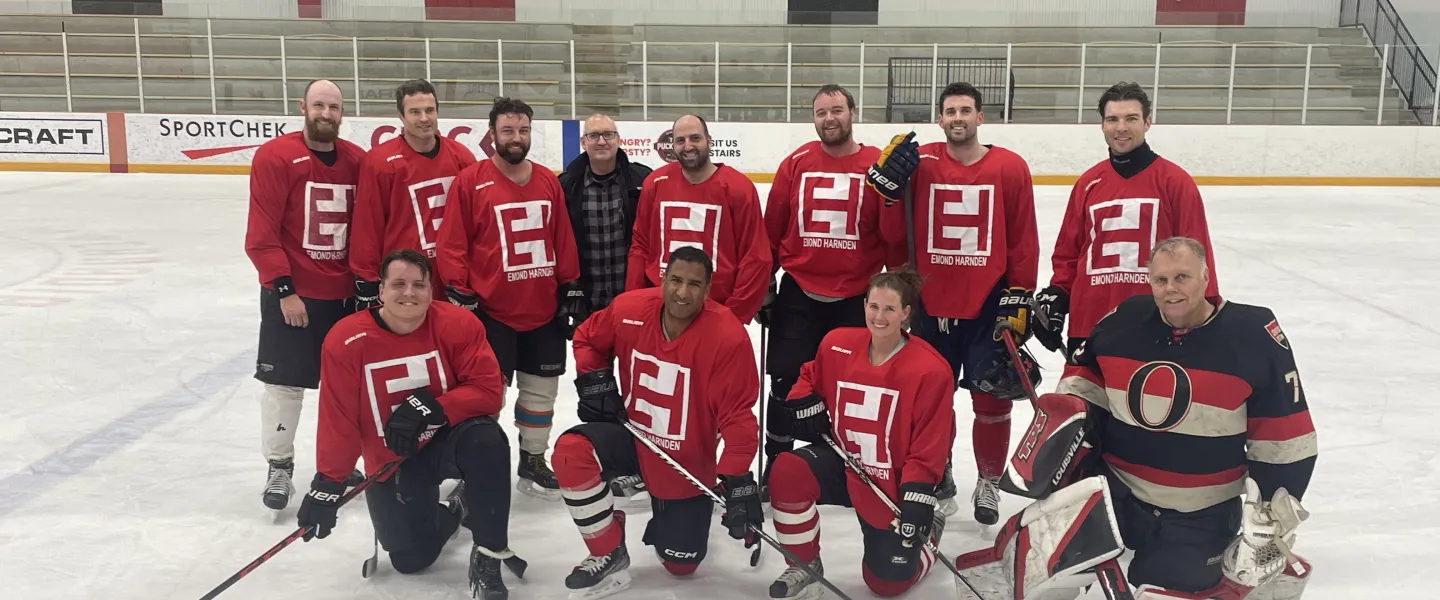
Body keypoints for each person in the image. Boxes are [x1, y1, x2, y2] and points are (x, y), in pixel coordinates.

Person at [969, 237, 1316, 600]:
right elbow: (1085, 378)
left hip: (1199, 513)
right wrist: (1067, 425)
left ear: (1205, 277)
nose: (1171, 290)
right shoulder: (1126, 319)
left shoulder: (1252, 335)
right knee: (1037, 579)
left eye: (1182, 277)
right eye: (1161, 280)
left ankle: (1273, 574)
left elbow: (1285, 437)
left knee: (1160, 593)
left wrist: (1273, 513)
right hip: (1114, 494)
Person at [297, 249, 523, 599]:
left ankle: (489, 555)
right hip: (393, 460)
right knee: (411, 558)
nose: (409, 293)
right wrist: (329, 482)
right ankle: (457, 506)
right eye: (398, 284)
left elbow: (488, 391)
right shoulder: (345, 340)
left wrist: (431, 407)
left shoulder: (458, 323)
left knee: (488, 440)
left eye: (419, 284)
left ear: (432, 290)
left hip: (449, 443)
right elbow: (337, 417)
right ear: (381, 289)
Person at [864, 81, 1041, 524]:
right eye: (950, 111)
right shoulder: (919, 163)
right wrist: (887, 195)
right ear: (939, 119)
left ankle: (987, 479)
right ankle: (937, 469)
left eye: (966, 110)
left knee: (992, 398)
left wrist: (1020, 292)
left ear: (981, 118)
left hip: (987, 303)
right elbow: (893, 239)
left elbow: (1023, 237)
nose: (958, 118)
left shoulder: (1010, 167)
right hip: (929, 303)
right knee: (931, 402)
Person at [552, 246, 763, 600]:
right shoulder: (629, 309)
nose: (682, 292)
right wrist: (595, 378)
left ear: (708, 289)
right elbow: (587, 337)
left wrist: (737, 479)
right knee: (571, 452)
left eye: (694, 284)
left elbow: (738, 416)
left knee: (681, 565)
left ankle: (682, 512)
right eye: (676, 280)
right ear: (662, 278)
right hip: (632, 437)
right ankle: (608, 550)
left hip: (685, 463)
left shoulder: (727, 335)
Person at [766, 269, 956, 600]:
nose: (879, 317)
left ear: (906, 313)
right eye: (873, 306)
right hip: (843, 463)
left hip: (890, 479)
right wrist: (802, 401)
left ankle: (930, 538)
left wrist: (918, 491)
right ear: (864, 305)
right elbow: (809, 376)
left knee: (886, 583)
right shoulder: (837, 343)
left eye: (889, 309)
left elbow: (931, 442)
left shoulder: (930, 369)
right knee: (787, 470)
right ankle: (804, 564)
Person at [435, 96, 583, 501]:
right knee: (485, 397)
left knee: (541, 392)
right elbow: (452, 242)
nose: (516, 138)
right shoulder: (471, 181)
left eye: (523, 130)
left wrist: (571, 284)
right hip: (490, 312)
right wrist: (458, 289)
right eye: (508, 131)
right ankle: (475, 464)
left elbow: (561, 237)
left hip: (542, 309)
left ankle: (533, 459)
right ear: (492, 134)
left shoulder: (548, 181)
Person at [244, 78, 366, 510]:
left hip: (344, 298)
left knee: (344, 389)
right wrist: (284, 290)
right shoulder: (276, 157)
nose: (325, 114)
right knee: (284, 385)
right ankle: (280, 466)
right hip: (294, 296)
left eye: (333, 107)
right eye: (318, 105)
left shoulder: (357, 161)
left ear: (342, 113)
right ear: (303, 107)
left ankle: (338, 462)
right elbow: (261, 232)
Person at [1033, 81, 1220, 362]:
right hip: (1090, 325)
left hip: (1158, 325)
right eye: (1113, 119)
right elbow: (1069, 254)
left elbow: (1198, 257)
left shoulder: (1175, 182)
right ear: (1102, 125)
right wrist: (1059, 295)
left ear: (1147, 122)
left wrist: (1206, 314)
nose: (1121, 127)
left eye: (1131, 118)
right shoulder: (1088, 183)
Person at [757, 84, 883, 490]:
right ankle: (776, 467)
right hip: (799, 293)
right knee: (783, 380)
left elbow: (893, 232)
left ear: (853, 112)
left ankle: (841, 467)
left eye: (837, 110)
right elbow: (771, 229)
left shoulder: (875, 165)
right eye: (821, 112)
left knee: (849, 385)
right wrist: (765, 285)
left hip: (856, 298)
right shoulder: (796, 163)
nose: (829, 118)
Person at [626, 114, 771, 324]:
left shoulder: (739, 189)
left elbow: (756, 258)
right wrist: (635, 300)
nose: (688, 146)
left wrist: (733, 315)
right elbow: (640, 245)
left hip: (716, 312)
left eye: (695, 138)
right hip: (661, 309)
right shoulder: (655, 183)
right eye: (680, 140)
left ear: (709, 141)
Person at [350, 79, 478, 307]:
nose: (424, 118)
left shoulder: (462, 157)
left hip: (451, 277)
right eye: (414, 112)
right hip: (404, 280)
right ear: (400, 116)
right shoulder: (379, 162)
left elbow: (476, 221)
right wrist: (367, 279)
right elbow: (367, 226)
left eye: (429, 110)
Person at [558, 113, 655, 331]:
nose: (602, 141)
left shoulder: (642, 180)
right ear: (583, 142)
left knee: (637, 365)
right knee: (592, 365)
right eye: (594, 136)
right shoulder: (566, 186)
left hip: (633, 301)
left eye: (608, 135)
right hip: (586, 304)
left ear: (618, 139)